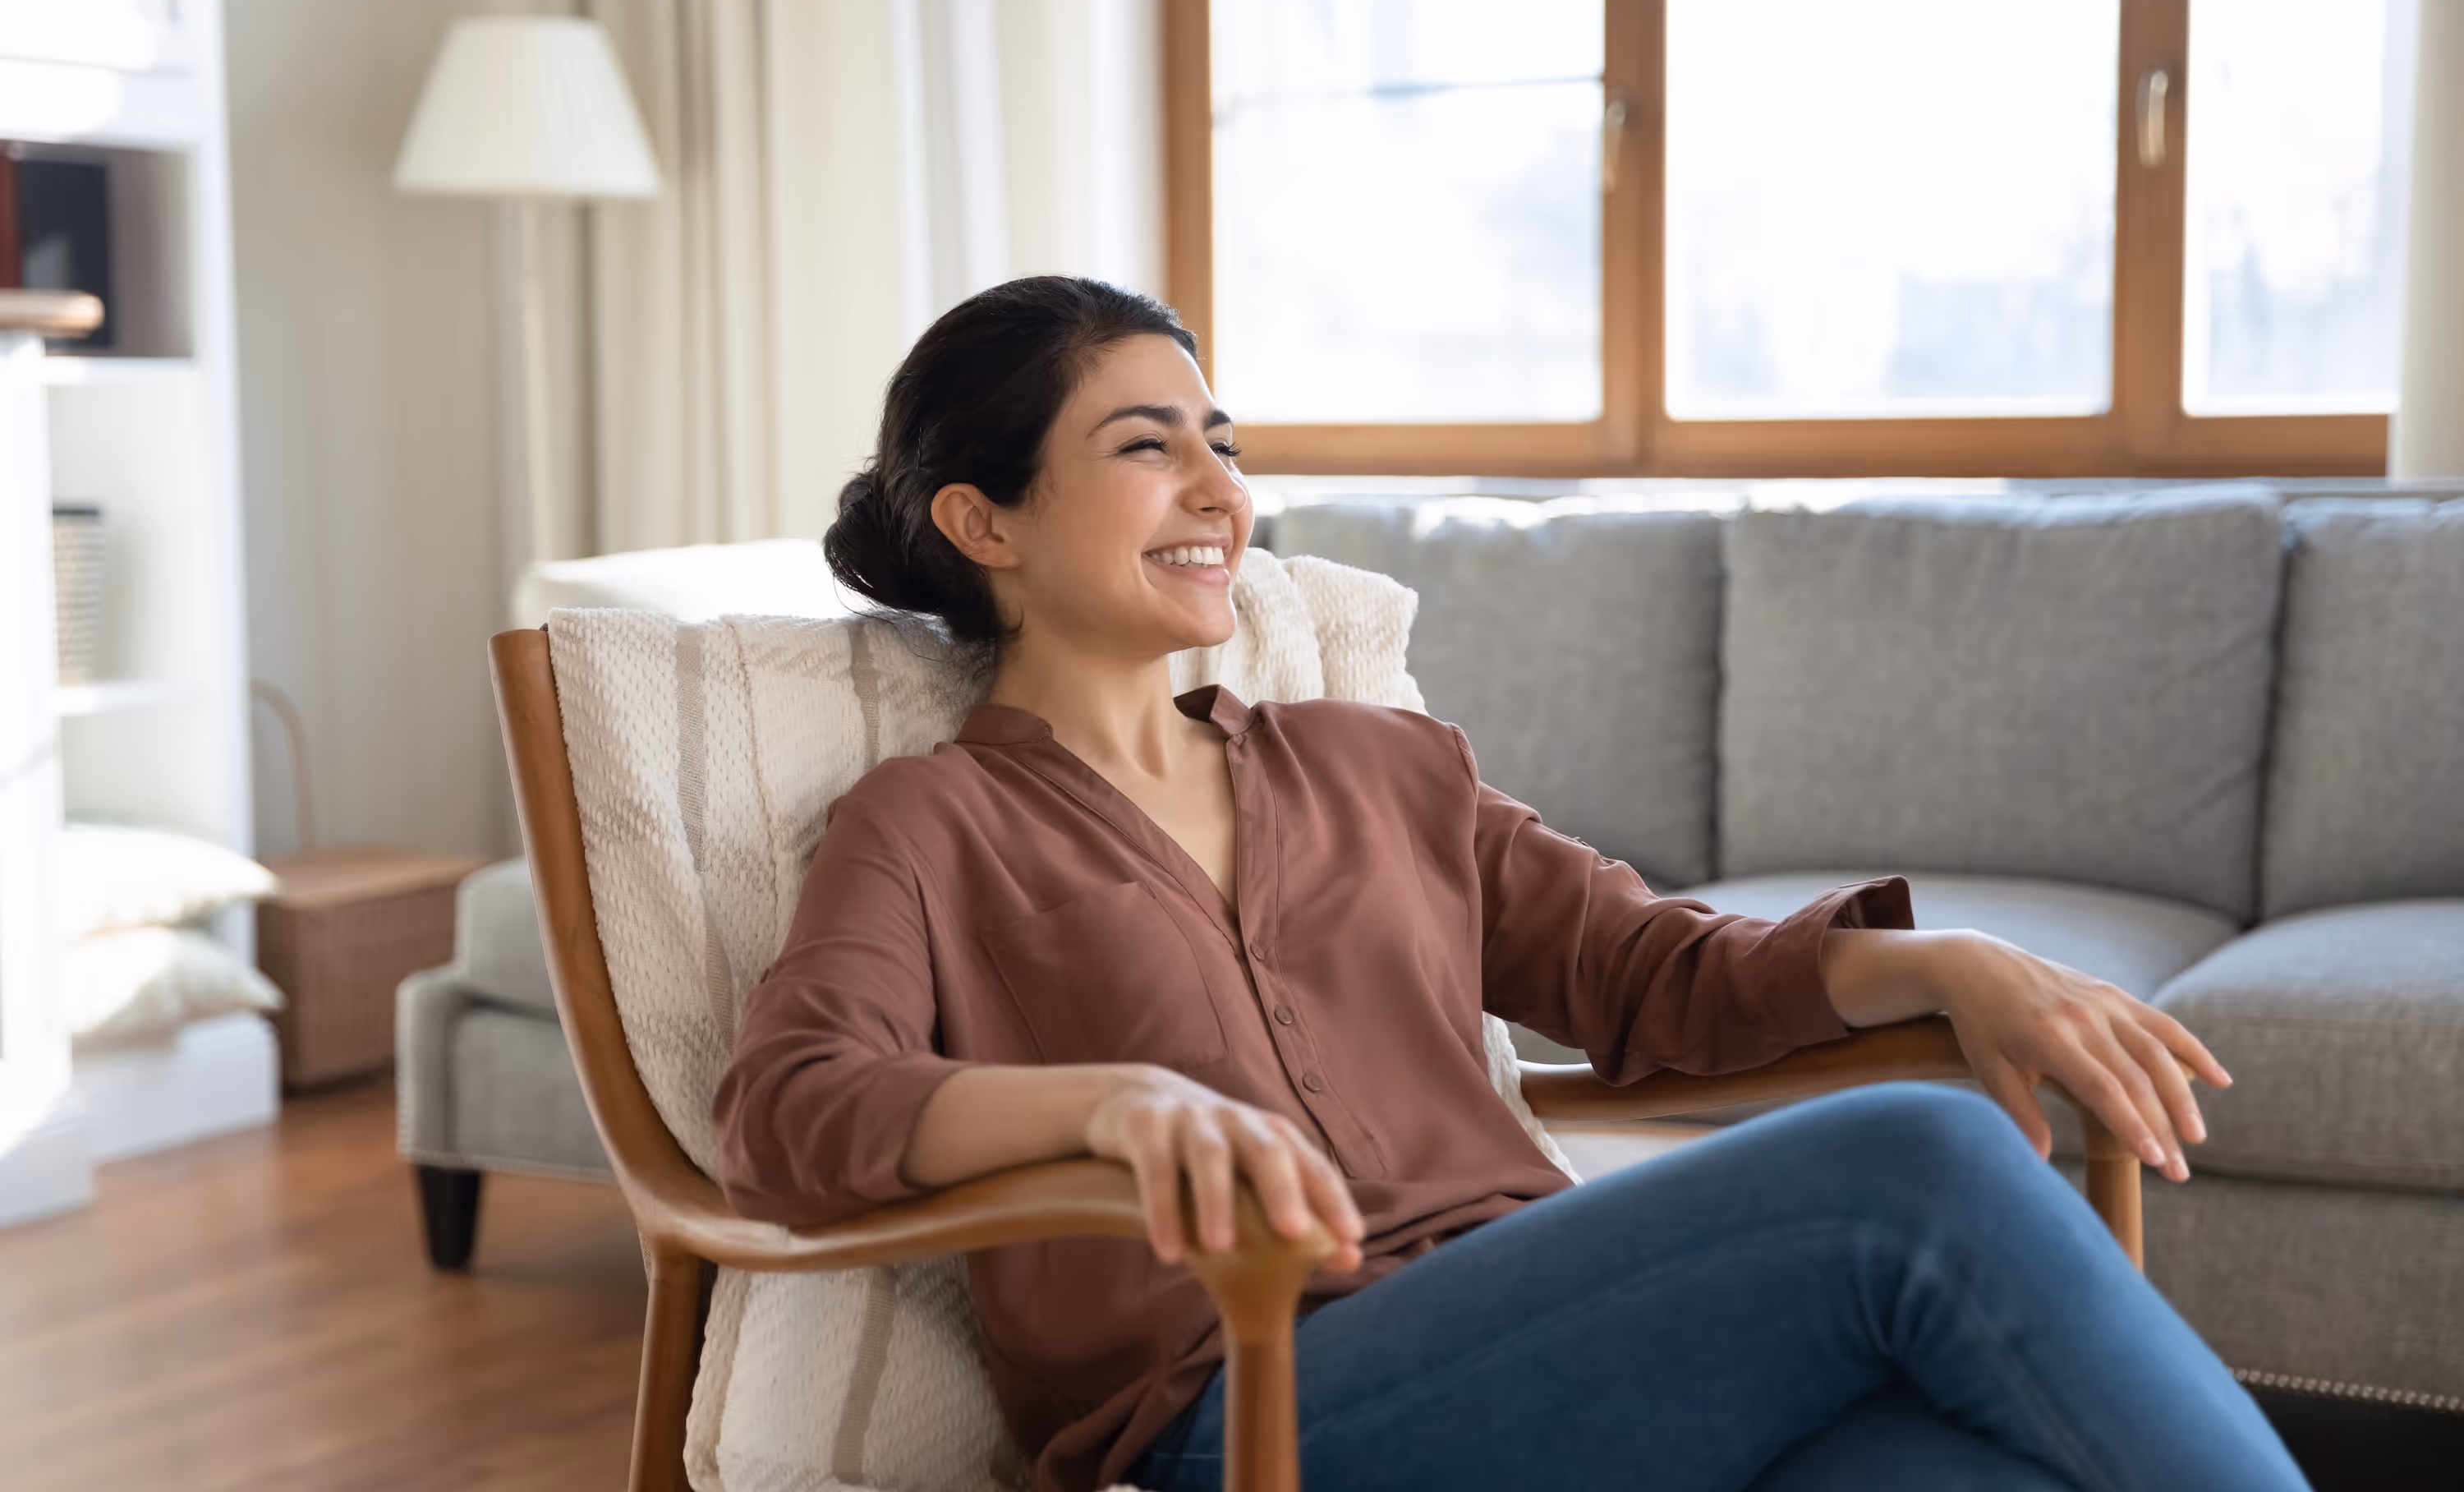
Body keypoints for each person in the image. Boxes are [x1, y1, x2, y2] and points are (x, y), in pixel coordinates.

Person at [710, 276, 2307, 1492]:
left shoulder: (1380, 764)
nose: (1217, 490)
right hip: (1261, 1395)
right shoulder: (928, 823)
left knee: (1964, 1465)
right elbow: (792, 1108)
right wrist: (1106, 1103)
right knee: (1924, 1157)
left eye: (1224, 444)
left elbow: (1649, 971)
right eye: (1147, 448)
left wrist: (1948, 962)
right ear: (981, 517)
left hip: (1537, 1324)